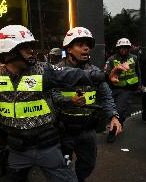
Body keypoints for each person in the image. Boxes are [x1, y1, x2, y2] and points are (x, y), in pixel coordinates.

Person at [0, 25, 125, 182]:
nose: (32, 51)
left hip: (49, 147)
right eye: (26, 48)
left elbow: (73, 75)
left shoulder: (43, 70)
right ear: (10, 52)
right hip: (17, 151)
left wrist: (105, 76)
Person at [52, 27, 122, 182]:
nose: (86, 48)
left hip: (87, 131)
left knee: (88, 165)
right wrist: (70, 101)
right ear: (69, 48)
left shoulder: (95, 71)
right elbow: (52, 96)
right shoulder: (56, 71)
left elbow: (106, 96)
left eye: (88, 45)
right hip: (64, 130)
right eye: (80, 45)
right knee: (63, 166)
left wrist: (114, 116)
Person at [104, 38, 140, 139]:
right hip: (114, 87)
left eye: (126, 48)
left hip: (128, 88)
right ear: (118, 48)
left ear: (129, 48)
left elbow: (138, 71)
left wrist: (140, 85)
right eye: (121, 48)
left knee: (119, 109)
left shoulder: (134, 58)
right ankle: (120, 122)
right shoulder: (111, 59)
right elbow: (106, 74)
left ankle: (112, 132)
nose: (123, 49)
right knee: (115, 108)